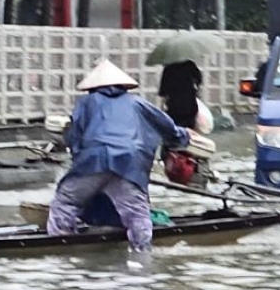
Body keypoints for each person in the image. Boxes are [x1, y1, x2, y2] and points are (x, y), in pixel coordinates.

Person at [47, 60, 190, 253]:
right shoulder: (138, 103)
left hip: (92, 163)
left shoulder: (87, 103)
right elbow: (168, 128)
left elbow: (74, 137)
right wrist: (185, 136)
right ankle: (142, 255)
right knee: (137, 214)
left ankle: (60, 247)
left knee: (65, 202)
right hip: (129, 165)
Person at [158, 59, 203, 128]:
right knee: (189, 129)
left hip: (174, 106)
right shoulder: (189, 64)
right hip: (189, 103)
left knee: (176, 129)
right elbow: (199, 79)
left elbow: (163, 91)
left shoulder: (168, 68)